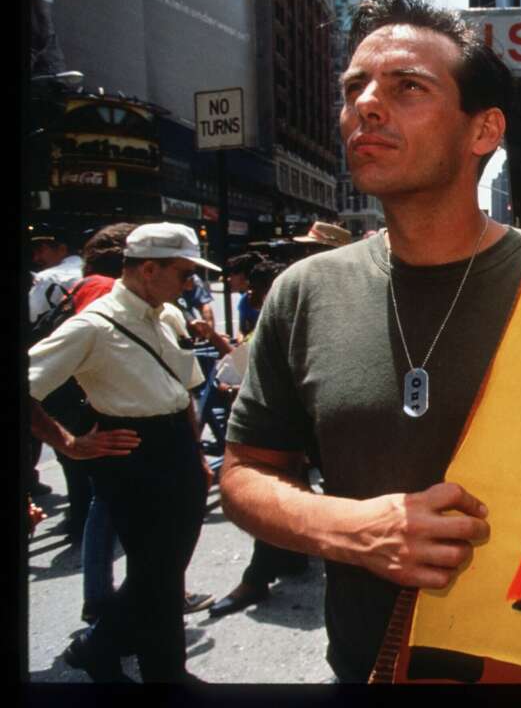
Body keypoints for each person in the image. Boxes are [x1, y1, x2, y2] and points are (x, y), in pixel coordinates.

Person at [220, 0, 521, 683]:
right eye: (355, 85)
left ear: (483, 131)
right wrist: (354, 531)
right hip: (367, 668)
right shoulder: (304, 291)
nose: (366, 104)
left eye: (408, 87)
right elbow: (244, 473)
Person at [28, 222, 220, 682]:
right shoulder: (93, 326)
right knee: (155, 574)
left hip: (178, 448)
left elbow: (184, 393)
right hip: (133, 454)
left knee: (166, 571)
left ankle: (105, 647)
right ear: (149, 269)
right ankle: (159, 670)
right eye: (185, 272)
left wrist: (195, 457)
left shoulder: (167, 315)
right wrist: (70, 444)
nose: (191, 284)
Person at [209, 261, 311, 618]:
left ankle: (258, 577)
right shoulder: (270, 310)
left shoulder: (304, 306)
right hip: (281, 420)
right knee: (285, 489)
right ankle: (287, 558)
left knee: (284, 493)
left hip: (304, 422)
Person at [27, 224, 83, 498]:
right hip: (90, 363)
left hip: (57, 365)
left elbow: (31, 315)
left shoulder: (48, 278)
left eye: (42, 249)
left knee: (58, 431)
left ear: (61, 249)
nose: (37, 257)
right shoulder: (88, 271)